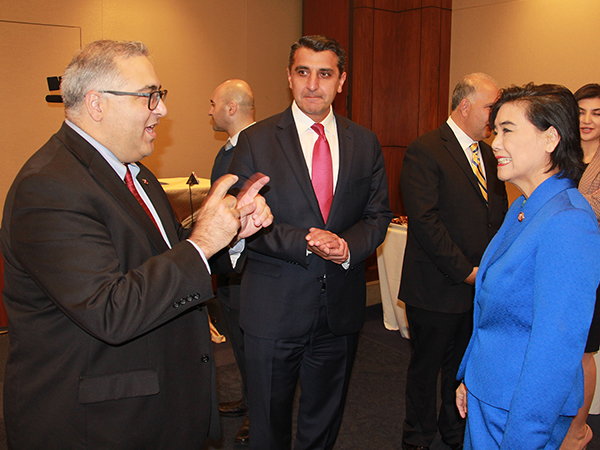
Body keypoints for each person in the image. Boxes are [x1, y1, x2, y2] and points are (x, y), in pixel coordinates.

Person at [0, 40, 272, 449]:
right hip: (100, 424)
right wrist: (201, 243)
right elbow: (110, 310)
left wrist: (230, 235)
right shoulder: (49, 187)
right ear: (97, 104)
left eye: (159, 95)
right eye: (149, 96)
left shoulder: (135, 173)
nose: (162, 109)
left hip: (160, 403)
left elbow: (165, 256)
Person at [228, 35, 392, 450]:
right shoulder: (256, 140)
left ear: (341, 81)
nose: (313, 84)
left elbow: (377, 216)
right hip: (273, 309)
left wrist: (347, 246)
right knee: (268, 426)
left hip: (338, 311)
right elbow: (242, 217)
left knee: (324, 422)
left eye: (325, 73)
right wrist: (306, 240)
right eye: (303, 72)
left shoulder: (366, 142)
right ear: (289, 77)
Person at [456, 83, 600, 449]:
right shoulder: (525, 208)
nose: (496, 143)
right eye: (495, 130)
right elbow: (492, 309)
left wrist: (524, 437)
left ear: (550, 138)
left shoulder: (568, 221)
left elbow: (555, 352)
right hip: (492, 395)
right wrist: (471, 378)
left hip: (517, 415)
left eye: (508, 130)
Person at [399, 73, 508, 450]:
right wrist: (465, 272)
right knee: (426, 372)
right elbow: (426, 222)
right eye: (490, 106)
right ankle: (417, 438)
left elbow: (495, 216)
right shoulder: (425, 149)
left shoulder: (490, 155)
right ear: (465, 105)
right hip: (436, 288)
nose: (495, 116)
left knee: (461, 371)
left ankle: (454, 433)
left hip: (477, 286)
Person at [208, 78, 256, 445]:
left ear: (230, 108)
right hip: (227, 266)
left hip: (252, 266)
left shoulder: (265, 145)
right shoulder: (227, 150)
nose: (209, 111)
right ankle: (249, 398)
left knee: (255, 343)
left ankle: (261, 413)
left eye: (213, 104)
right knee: (238, 342)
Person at [560, 83, 600, 450]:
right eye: (581, 111)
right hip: (556, 266)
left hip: (592, 269)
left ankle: (579, 428)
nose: (587, 120)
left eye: (597, 113)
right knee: (556, 345)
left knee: (583, 350)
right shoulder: (563, 155)